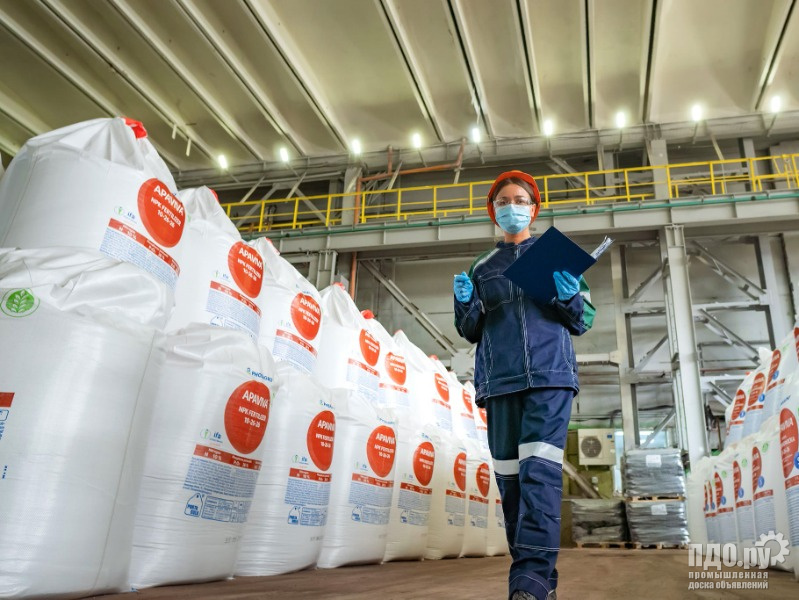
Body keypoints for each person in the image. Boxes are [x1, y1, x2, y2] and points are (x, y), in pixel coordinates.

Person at [453, 170, 595, 600]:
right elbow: (470, 330)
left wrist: (569, 296)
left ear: (533, 209)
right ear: (492, 210)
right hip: (500, 383)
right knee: (511, 484)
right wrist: (464, 303)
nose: (511, 207)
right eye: (503, 201)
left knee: (539, 475)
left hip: (550, 379)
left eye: (519, 200)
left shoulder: (557, 259)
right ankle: (538, 582)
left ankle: (528, 582)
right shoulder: (482, 267)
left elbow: (583, 320)